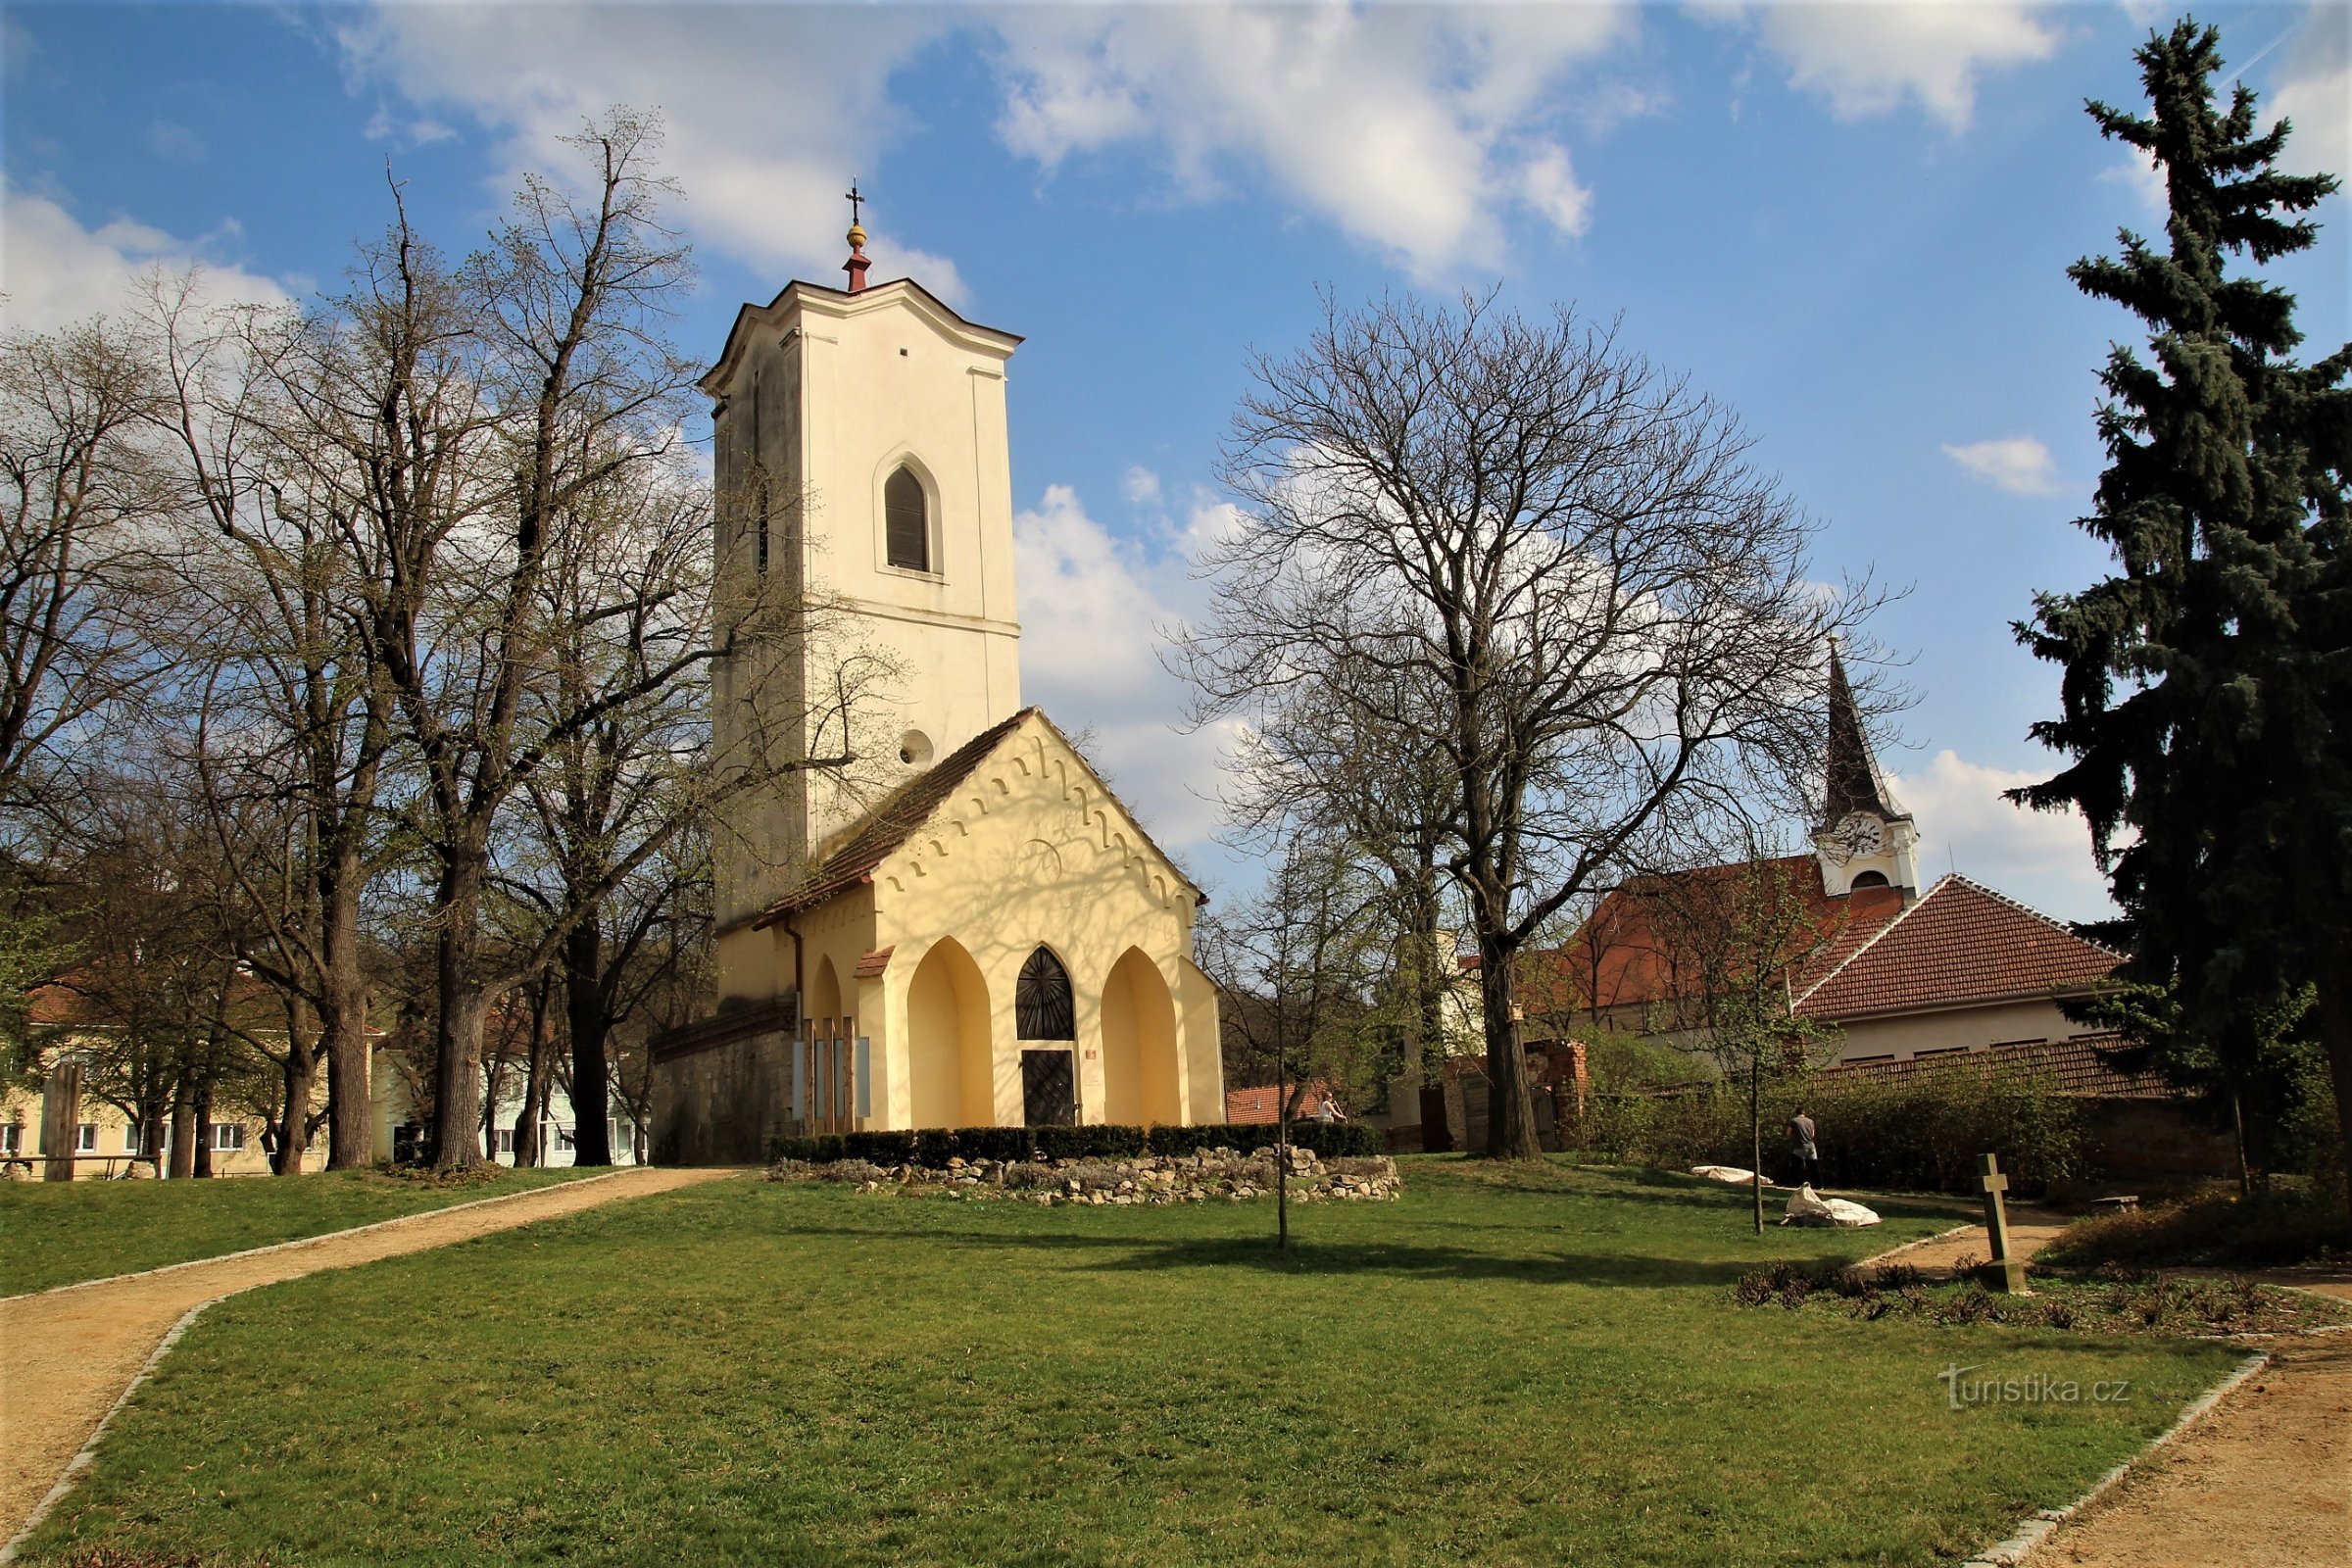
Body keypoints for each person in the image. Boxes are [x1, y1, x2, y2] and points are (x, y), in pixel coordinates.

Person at [1788, 1108, 1820, 1189]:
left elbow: (1788, 1133)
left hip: (1800, 1146)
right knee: (1814, 1167)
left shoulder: (1794, 1121)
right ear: (1804, 1113)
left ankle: (1797, 1184)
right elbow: (1812, 1134)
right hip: (1811, 1146)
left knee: (1795, 1167)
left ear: (1796, 1113)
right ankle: (1819, 1185)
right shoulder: (1810, 1121)